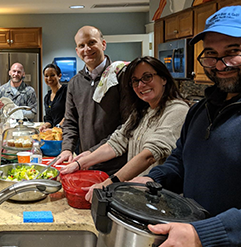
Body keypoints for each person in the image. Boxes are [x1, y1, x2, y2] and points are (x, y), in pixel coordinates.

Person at [132, 5, 241, 247]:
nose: (221, 64)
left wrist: (207, 237)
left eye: (233, 52)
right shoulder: (200, 110)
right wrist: (154, 180)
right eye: (211, 54)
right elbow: (181, 162)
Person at [59, 56, 189, 201]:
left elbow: (149, 155)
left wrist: (110, 183)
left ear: (164, 79)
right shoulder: (142, 111)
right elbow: (115, 143)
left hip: (160, 200)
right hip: (137, 196)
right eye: (135, 81)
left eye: (147, 77)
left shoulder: (177, 110)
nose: (141, 85)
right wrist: (79, 163)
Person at [55, 26, 130, 175]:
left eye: (91, 43)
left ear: (103, 44)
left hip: (118, 165)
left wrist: (93, 152)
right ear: (77, 51)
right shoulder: (74, 83)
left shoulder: (121, 76)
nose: (87, 49)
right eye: (81, 45)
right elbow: (70, 122)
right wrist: (67, 149)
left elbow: (127, 124)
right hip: (86, 165)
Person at [39, 63, 67, 132]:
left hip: (67, 132)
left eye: (52, 75)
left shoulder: (67, 91)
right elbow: (49, 119)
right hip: (55, 133)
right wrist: (45, 125)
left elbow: (70, 113)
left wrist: (58, 127)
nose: (49, 78)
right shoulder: (47, 97)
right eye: (46, 76)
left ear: (59, 76)